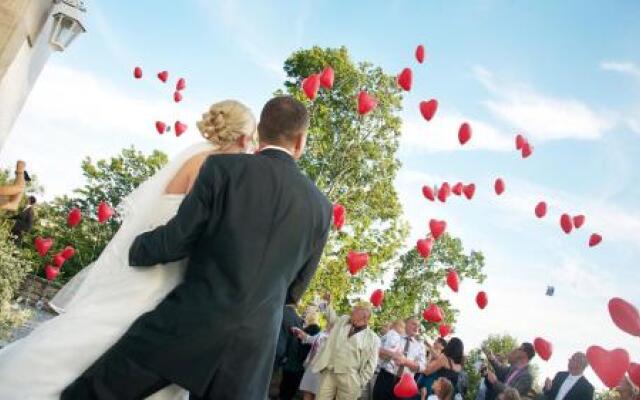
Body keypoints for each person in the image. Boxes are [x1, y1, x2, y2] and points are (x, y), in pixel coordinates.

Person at [1, 96, 333, 400]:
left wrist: (135, 249)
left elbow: (177, 240)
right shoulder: (321, 208)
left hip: (187, 324)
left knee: (93, 394)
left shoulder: (223, 169)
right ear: (301, 140)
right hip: (252, 349)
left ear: (260, 131)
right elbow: (295, 289)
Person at [305, 296, 380, 400]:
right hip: (330, 371)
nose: (352, 311)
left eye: (356, 310)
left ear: (365, 316)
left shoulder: (373, 338)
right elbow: (332, 318)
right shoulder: (344, 320)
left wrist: (359, 382)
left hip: (350, 378)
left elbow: (371, 364)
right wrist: (327, 304)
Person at [373, 317, 426, 400]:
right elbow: (376, 350)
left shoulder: (420, 346)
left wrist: (405, 361)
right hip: (386, 377)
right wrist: (391, 354)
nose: (417, 328)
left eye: (418, 326)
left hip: (404, 384)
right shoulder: (393, 335)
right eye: (414, 324)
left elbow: (422, 367)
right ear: (406, 324)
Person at [280, 308, 321, 400]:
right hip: (295, 362)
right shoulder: (308, 328)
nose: (304, 315)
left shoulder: (314, 329)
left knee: (288, 389)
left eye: (306, 313)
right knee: (287, 387)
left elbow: (308, 344)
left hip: (298, 363)